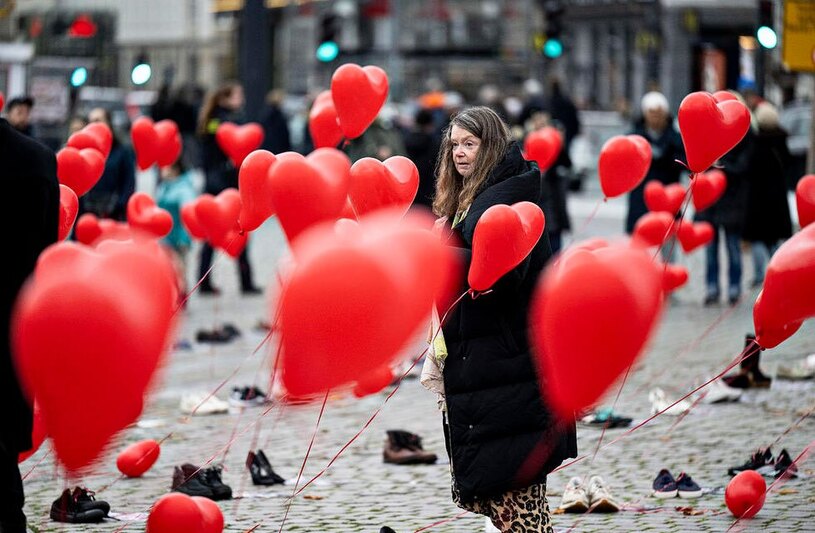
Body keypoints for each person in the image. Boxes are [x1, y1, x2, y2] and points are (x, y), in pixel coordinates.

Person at [431, 106, 577, 532]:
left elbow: (504, 277)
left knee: (521, 508)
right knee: (501, 499)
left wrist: (435, 255)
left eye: (469, 144)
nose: (459, 153)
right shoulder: (469, 198)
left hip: (511, 366)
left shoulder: (510, 199)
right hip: (483, 365)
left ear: (490, 146)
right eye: (454, 144)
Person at [0, 111, 60, 533]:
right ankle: (10, 515)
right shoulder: (39, 158)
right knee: (4, 422)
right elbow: (48, 244)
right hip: (17, 310)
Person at [196, 82, 260, 295]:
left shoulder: (211, 120)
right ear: (224, 99)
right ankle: (245, 281)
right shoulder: (218, 122)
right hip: (224, 184)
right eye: (237, 95)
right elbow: (219, 143)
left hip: (216, 183)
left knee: (215, 233)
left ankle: (206, 280)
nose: (241, 98)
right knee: (237, 229)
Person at [696, 93, 755, 306]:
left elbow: (744, 166)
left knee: (732, 248)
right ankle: (712, 288)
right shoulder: (706, 131)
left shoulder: (745, 134)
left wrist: (722, 164)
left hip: (733, 201)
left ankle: (734, 288)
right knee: (711, 251)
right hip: (710, 201)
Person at [742, 102, 793, 288]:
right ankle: (777, 270)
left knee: (758, 238)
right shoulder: (781, 141)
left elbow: (747, 169)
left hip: (757, 199)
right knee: (775, 239)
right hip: (777, 199)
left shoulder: (756, 143)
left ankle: (758, 276)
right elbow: (788, 165)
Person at [625, 92, 685, 235]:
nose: (655, 118)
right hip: (640, 202)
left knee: (666, 251)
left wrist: (665, 157)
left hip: (668, 200)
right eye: (652, 113)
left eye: (659, 113)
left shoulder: (676, 139)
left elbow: (684, 163)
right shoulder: (634, 138)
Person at [81, 107, 136, 221]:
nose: (93, 125)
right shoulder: (85, 150)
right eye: (90, 122)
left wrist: (118, 206)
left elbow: (129, 183)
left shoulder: (122, 151)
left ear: (108, 123)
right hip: (88, 213)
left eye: (97, 120)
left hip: (113, 214)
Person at [156, 158, 198, 298]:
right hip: (165, 237)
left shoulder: (184, 188)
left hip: (179, 236)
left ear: (175, 169)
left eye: (165, 167)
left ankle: (181, 298)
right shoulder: (164, 186)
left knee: (180, 270)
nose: (162, 171)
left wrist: (185, 237)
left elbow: (187, 212)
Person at [404, 108, 441, 210]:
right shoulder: (434, 143)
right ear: (429, 124)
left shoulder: (406, 139)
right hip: (428, 190)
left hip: (410, 188)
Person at [260, 89, 291, 155]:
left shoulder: (264, 115)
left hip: (266, 148)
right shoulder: (280, 116)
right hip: (279, 149)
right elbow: (285, 136)